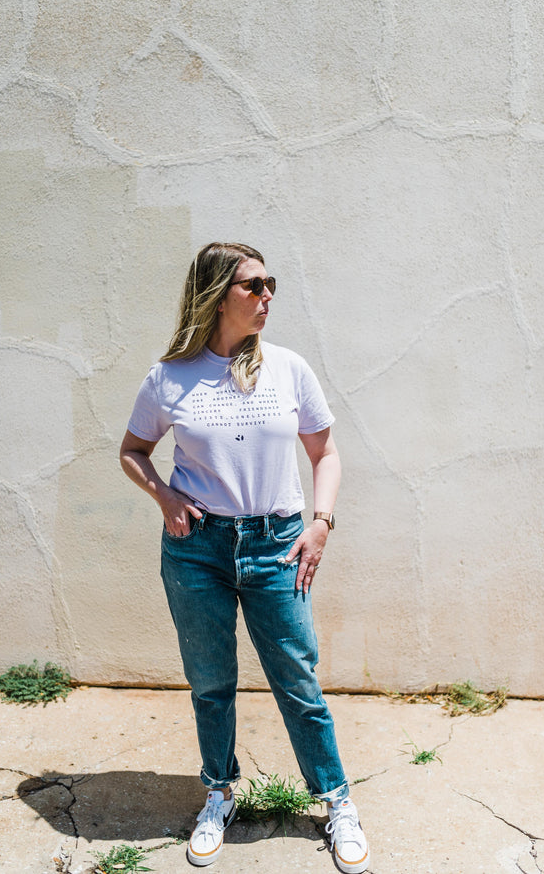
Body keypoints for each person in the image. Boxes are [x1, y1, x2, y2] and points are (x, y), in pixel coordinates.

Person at [119, 242, 369, 873]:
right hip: (196, 549)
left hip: (276, 544)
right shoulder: (170, 376)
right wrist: (165, 497)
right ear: (215, 294)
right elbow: (132, 450)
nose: (267, 297)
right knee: (210, 682)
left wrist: (320, 523)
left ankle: (336, 801)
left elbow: (326, 455)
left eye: (270, 284)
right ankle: (220, 792)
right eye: (253, 286)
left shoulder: (287, 368)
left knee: (297, 679)